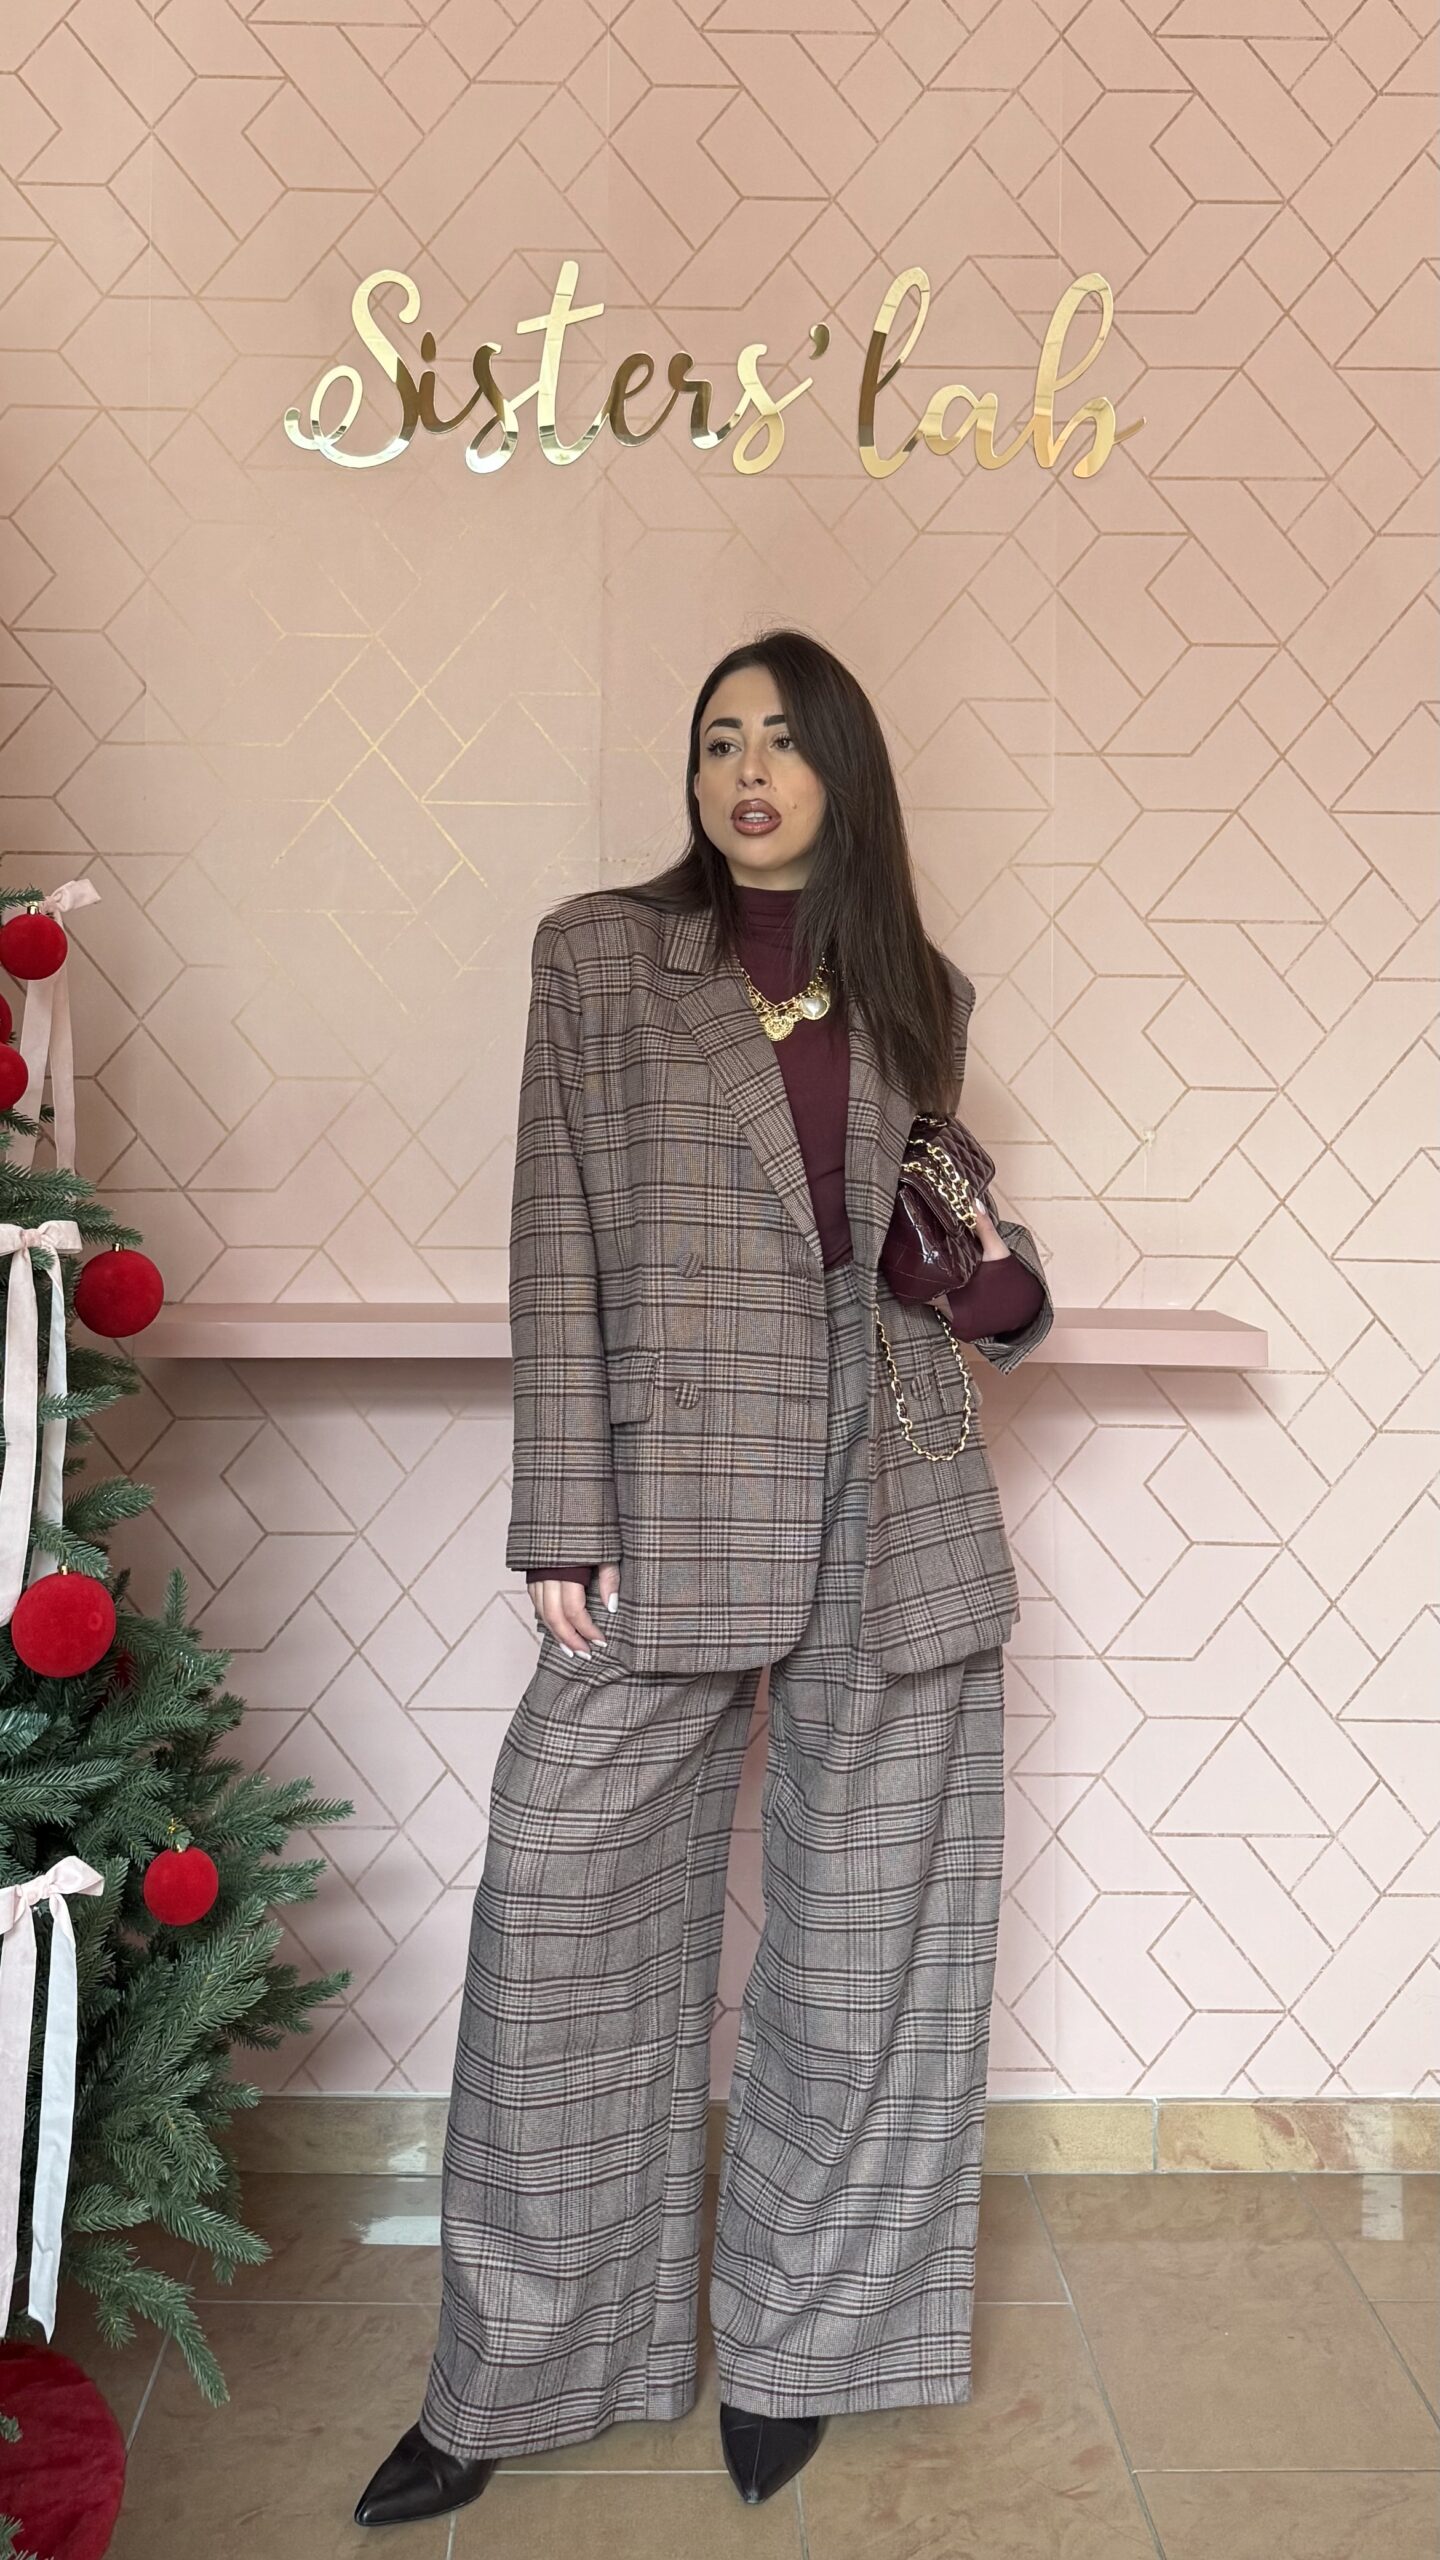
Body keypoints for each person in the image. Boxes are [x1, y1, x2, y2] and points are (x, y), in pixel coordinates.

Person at [355, 628, 1053, 2529]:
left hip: (893, 1478)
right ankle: (520, 2369)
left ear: (844, 770)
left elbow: (915, 1236)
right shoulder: (602, 956)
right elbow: (555, 1234)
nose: (747, 769)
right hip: (670, 1493)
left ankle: (804, 2350)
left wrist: (978, 1276)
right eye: (719, 738)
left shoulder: (918, 988)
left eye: (783, 739)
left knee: (867, 1937)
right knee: (560, 1912)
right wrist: (561, 1512)